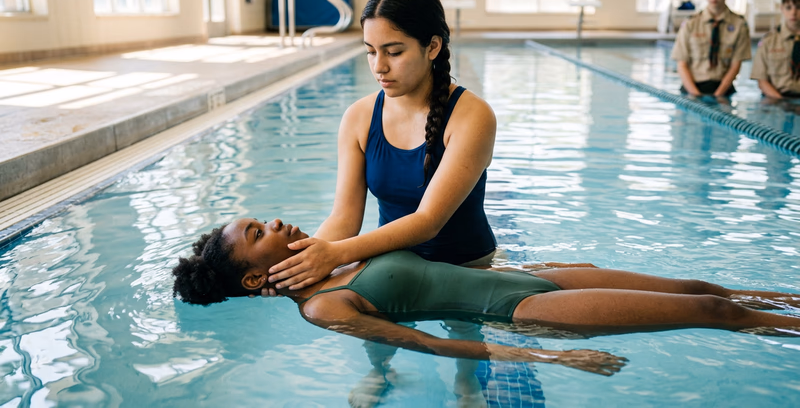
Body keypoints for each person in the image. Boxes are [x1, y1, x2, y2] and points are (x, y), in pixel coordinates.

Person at [171, 218, 800, 375]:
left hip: (539, 276)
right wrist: (552, 359)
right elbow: (427, 344)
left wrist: (539, 264)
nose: (276, 225)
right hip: (524, 310)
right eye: (258, 234)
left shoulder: (335, 254)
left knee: (705, 288)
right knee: (713, 314)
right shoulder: (324, 307)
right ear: (255, 277)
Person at [263, 0, 498, 294]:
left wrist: (336, 255)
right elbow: (344, 219)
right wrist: (296, 267)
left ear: (433, 46)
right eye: (370, 52)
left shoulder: (472, 116)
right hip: (392, 268)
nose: (379, 67)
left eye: (394, 52)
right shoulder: (359, 117)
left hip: (470, 269)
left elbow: (429, 221)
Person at [671, 0, 751, 97]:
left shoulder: (739, 25)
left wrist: (718, 96)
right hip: (692, 87)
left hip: (723, 89)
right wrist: (695, 95)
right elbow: (682, 63)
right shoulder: (691, 23)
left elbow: (735, 66)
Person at [751, 0, 800, 99]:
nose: (793, 12)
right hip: (775, 99)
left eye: (798, 7)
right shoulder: (768, 41)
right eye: (788, 8)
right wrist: (781, 102)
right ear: (782, 8)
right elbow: (762, 81)